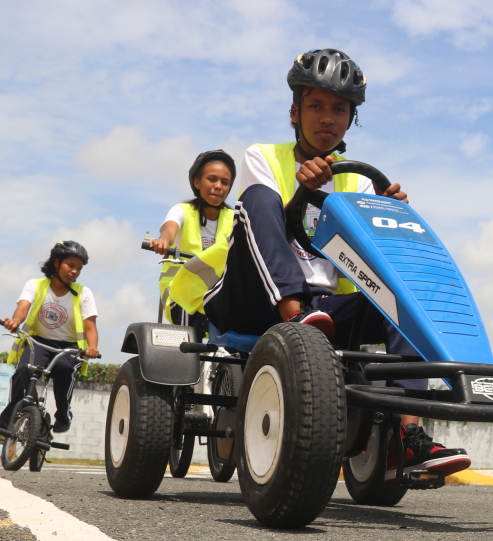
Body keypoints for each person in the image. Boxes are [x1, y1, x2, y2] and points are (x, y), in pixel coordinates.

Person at [180, 48, 469, 483]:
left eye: (339, 109)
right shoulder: (262, 156)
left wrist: (390, 220)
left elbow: (373, 265)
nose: (327, 118)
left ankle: (406, 439)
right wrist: (301, 194)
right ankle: (298, 319)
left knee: (400, 301)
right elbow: (263, 226)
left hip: (326, 310)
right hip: (251, 298)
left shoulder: (361, 181)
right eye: (316, 106)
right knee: (257, 198)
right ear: (295, 112)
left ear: (351, 119)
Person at [0, 241, 101, 434]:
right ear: (56, 263)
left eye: (78, 269)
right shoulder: (35, 285)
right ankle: (9, 420)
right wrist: (15, 321)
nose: (74, 272)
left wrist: (92, 347)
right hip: (38, 342)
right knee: (24, 369)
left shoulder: (84, 293)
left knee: (64, 369)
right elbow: (23, 308)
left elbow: (90, 326)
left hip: (68, 347)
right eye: (70, 265)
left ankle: (63, 414)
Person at [148, 150, 237, 336]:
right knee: (190, 324)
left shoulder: (235, 218)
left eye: (225, 182)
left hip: (219, 293)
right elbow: (169, 229)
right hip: (180, 292)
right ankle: (188, 360)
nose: (218, 186)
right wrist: (164, 241)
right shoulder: (182, 210)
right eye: (212, 179)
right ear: (197, 183)